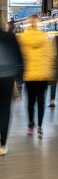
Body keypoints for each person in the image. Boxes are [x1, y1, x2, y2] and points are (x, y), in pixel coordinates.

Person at [17, 14, 55, 138]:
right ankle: (40, 127)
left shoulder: (23, 38)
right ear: (38, 23)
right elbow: (50, 57)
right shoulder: (45, 38)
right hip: (43, 76)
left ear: (29, 23)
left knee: (30, 102)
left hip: (29, 76)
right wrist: (50, 73)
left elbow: (20, 57)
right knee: (41, 102)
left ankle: (30, 125)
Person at [0, 26, 24, 155]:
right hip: (7, 77)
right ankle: (2, 145)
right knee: (4, 111)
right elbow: (19, 58)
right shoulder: (9, 36)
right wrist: (19, 80)